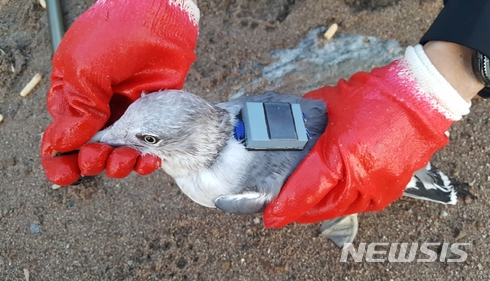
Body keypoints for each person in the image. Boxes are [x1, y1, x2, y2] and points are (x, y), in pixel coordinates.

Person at [41, 0, 488, 228]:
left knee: (354, 177)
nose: (113, 136)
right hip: (340, 128)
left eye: (149, 140)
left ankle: (411, 177)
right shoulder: (233, 110)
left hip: (349, 151)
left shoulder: (222, 187)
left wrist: (425, 94)